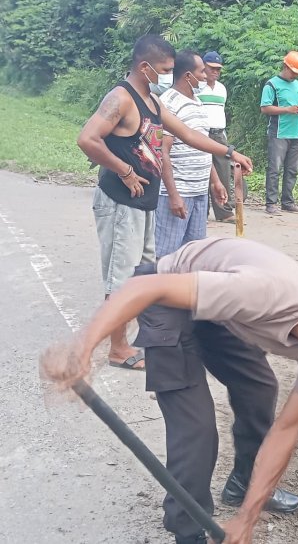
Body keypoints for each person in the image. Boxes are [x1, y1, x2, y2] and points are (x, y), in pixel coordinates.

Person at [42, 237, 298, 544]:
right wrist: (83, 349)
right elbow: (141, 288)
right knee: (196, 431)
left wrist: (247, 518)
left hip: (221, 312)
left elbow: (287, 429)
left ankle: (244, 486)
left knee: (260, 389)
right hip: (168, 290)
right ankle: (190, 530)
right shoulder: (262, 295)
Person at [77, 35, 252, 371]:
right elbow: (87, 138)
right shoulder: (121, 98)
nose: (169, 75)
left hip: (143, 203)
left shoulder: (153, 101)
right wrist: (125, 170)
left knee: (141, 275)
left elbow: (188, 135)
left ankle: (135, 339)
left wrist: (230, 153)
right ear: (145, 67)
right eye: (165, 69)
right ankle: (118, 349)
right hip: (119, 201)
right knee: (122, 277)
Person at [156, 50, 228, 257]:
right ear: (188, 76)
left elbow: (202, 145)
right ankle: (157, 289)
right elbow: (163, 152)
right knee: (167, 255)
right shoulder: (169, 103)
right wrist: (173, 195)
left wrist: (214, 181)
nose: (205, 76)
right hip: (179, 191)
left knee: (192, 255)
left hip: (198, 192)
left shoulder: (197, 102)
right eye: (201, 72)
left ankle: (181, 290)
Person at [260, 50, 298, 215]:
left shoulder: (297, 84)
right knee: (275, 168)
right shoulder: (272, 84)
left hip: (296, 133)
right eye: (294, 72)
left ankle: (288, 202)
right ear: (286, 67)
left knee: (292, 170)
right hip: (279, 133)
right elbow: (265, 108)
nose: (295, 76)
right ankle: (271, 203)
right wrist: (287, 110)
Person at [197, 50, 236, 223]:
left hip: (219, 134)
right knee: (202, 171)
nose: (215, 72)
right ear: (203, 67)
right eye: (212, 68)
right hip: (201, 133)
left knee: (223, 172)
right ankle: (201, 213)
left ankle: (224, 212)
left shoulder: (221, 89)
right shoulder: (196, 87)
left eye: (218, 69)